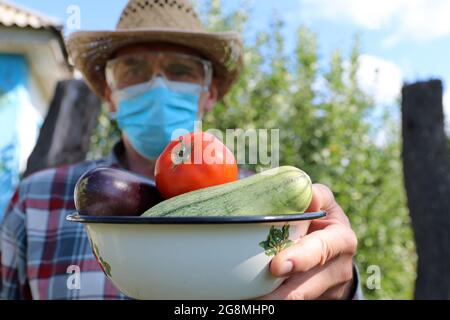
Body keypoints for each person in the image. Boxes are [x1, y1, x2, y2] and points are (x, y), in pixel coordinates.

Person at [0, 0, 360, 300]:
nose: (157, 84)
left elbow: (327, 280)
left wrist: (340, 290)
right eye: (134, 68)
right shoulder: (35, 201)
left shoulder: (275, 212)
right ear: (109, 95)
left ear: (210, 94)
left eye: (180, 70)